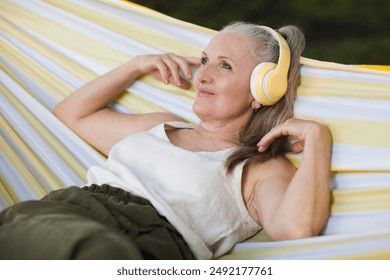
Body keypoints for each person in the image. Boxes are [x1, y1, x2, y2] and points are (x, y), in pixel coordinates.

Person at [0, 22, 332, 260]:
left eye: (225, 65)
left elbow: (296, 228)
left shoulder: (259, 168)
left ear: (263, 92)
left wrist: (318, 139)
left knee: (98, 252)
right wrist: (134, 66)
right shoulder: (161, 126)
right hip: (63, 213)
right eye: (204, 60)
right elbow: (72, 115)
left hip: (140, 251)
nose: (203, 74)